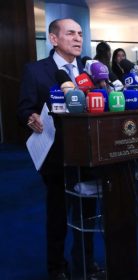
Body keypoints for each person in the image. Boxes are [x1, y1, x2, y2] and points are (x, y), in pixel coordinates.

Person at [17, 18, 104, 280]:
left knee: (87, 215)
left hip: (88, 157)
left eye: (80, 33)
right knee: (58, 216)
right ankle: (56, 267)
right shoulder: (36, 71)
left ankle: (86, 263)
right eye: (70, 33)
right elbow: (24, 108)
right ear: (54, 39)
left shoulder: (88, 71)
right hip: (56, 158)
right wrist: (30, 117)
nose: (78, 38)